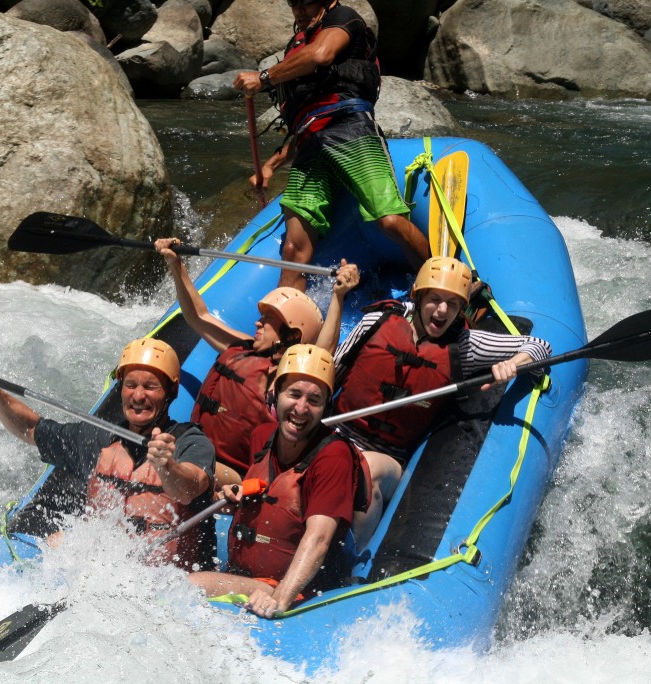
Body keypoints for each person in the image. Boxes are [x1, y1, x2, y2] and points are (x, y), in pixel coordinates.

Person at [318, 256, 553, 545]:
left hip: (387, 456)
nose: (442, 311)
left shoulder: (466, 346)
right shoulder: (376, 321)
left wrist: (515, 363)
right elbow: (327, 375)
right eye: (435, 299)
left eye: (453, 304)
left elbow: (540, 347)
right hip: (337, 434)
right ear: (417, 295)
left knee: (366, 472)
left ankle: (349, 568)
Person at [0, 338, 216, 570]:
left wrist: (166, 465)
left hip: (171, 583)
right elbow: (31, 428)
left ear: (170, 392)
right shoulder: (97, 438)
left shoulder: (190, 441)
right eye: (131, 385)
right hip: (108, 572)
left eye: (150, 387)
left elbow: (189, 488)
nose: (138, 395)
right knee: (57, 540)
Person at [232, 0, 429, 291]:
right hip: (310, 145)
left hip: (352, 131)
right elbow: (308, 126)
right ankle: (286, 328)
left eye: (307, 3)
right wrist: (271, 166)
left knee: (389, 222)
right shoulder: (297, 45)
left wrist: (263, 78)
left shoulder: (344, 19)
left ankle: (442, 288)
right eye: (293, 3)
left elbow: (322, 55)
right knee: (292, 250)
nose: (299, 10)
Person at [154, 236, 359, 487]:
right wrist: (176, 265)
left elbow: (323, 353)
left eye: (267, 319)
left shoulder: (288, 380)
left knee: (174, 459)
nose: (257, 323)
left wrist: (338, 296)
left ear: (293, 334)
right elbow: (198, 316)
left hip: (229, 474)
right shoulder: (243, 347)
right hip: (191, 448)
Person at [188, 344, 366, 618]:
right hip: (247, 575)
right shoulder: (262, 437)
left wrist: (281, 598)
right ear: (275, 393)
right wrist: (231, 498)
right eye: (293, 394)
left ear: (324, 407)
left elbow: (319, 538)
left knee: (190, 585)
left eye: (314, 400)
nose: (301, 408)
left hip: (297, 590)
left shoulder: (334, 456)